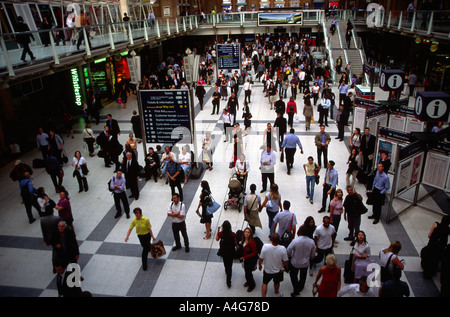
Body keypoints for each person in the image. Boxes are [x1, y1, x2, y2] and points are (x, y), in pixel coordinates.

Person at [287, 225, 315, 297]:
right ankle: (300, 287)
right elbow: (312, 255)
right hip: (305, 263)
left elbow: (288, 251)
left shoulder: (295, 241)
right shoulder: (311, 242)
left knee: (293, 275)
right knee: (303, 276)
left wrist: (290, 256)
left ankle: (296, 290)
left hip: (295, 262)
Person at [258, 233, 289, 297]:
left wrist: (260, 265)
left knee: (265, 283)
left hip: (267, 270)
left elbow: (261, 258)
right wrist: (286, 266)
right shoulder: (283, 249)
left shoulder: (265, 247)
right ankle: (276, 293)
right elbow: (286, 261)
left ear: (271, 239)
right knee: (277, 282)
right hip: (278, 271)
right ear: (279, 240)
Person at [216, 220, 238, 288]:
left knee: (225, 262)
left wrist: (218, 230)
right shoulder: (233, 234)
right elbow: (235, 242)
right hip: (231, 251)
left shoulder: (221, 234)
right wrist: (237, 246)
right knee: (230, 265)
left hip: (223, 251)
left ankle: (226, 270)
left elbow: (217, 239)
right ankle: (228, 281)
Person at [239, 228, 258, 292]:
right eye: (245, 232)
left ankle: (252, 285)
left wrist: (245, 257)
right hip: (246, 260)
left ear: (250, 234)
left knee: (248, 273)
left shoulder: (251, 242)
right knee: (247, 272)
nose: (246, 233)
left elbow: (254, 253)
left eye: (248, 232)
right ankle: (248, 281)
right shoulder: (243, 240)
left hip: (250, 261)